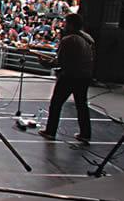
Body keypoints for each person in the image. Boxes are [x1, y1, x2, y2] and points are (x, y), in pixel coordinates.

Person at [38, 13, 94, 144]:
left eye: (66, 23)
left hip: (70, 76)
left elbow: (60, 61)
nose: (64, 26)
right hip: (84, 76)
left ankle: (51, 131)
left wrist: (45, 63)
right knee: (81, 105)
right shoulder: (88, 38)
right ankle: (85, 134)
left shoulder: (69, 40)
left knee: (56, 103)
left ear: (71, 25)